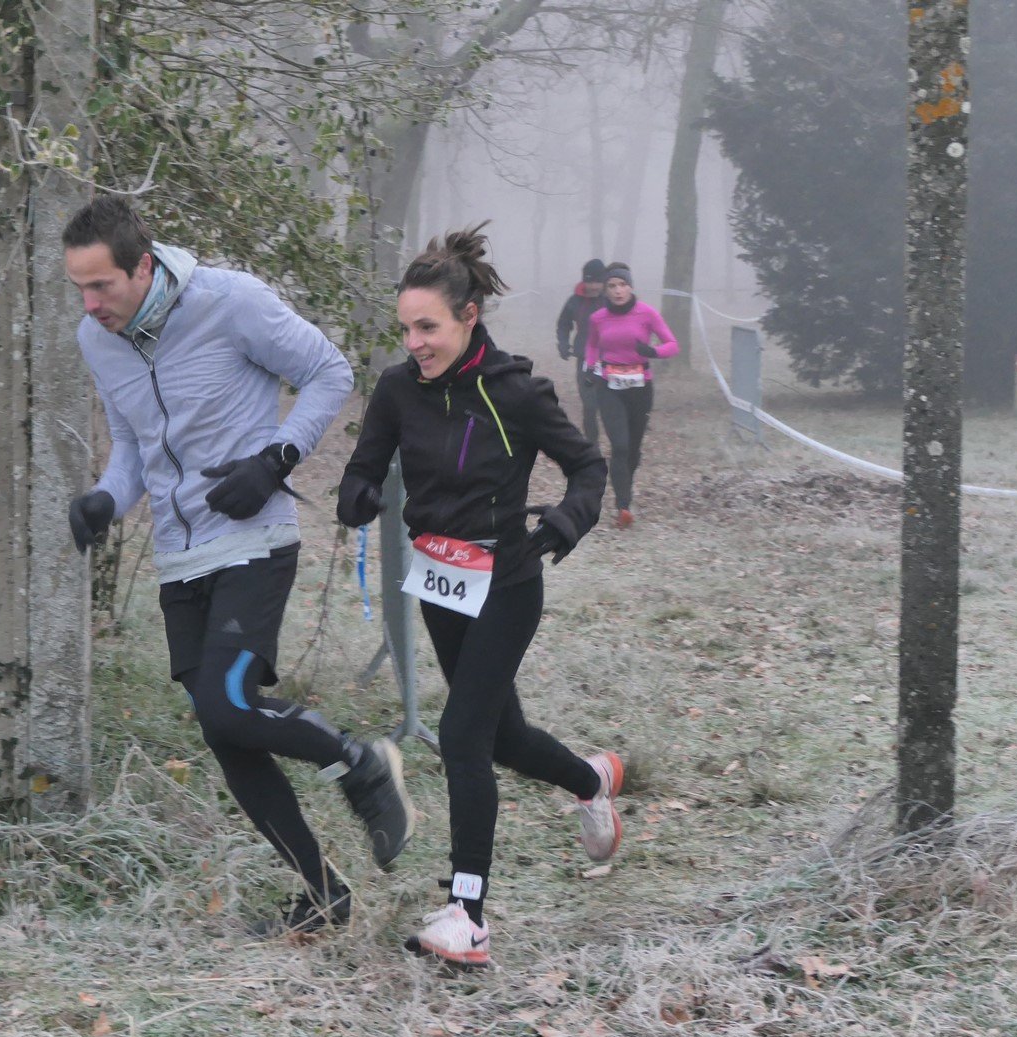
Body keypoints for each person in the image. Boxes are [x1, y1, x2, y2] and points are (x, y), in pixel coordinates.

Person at [62, 195, 413, 936]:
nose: (90, 304)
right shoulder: (98, 339)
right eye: (80, 288)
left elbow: (328, 371)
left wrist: (273, 460)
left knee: (228, 705)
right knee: (226, 737)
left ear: (143, 267)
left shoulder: (230, 301)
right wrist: (104, 500)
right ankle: (322, 894)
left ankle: (360, 764)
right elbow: (131, 447)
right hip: (178, 556)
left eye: (101, 286)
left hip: (254, 539)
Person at [336, 224, 624, 969]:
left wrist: (565, 522)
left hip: (507, 582)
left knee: (462, 732)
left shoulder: (516, 391)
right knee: (502, 735)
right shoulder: (398, 388)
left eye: (427, 327)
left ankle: (468, 915)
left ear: (468, 317)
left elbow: (589, 467)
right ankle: (590, 779)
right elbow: (364, 465)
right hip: (441, 583)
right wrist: (357, 493)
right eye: (406, 329)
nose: (415, 343)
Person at [582, 263, 679, 528]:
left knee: (633, 448)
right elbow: (592, 345)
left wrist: (653, 352)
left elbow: (672, 345)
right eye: (612, 286)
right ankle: (623, 506)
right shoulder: (598, 318)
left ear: (631, 287)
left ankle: (625, 486)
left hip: (640, 388)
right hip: (609, 387)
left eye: (622, 285)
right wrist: (590, 367)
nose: (618, 291)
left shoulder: (646, 313)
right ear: (605, 290)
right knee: (620, 446)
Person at [554, 258, 607, 443]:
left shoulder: (612, 299)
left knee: (608, 404)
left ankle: (620, 444)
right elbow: (563, 324)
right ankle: (592, 444)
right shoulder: (575, 300)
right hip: (585, 359)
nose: (593, 287)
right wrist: (563, 343)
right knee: (589, 405)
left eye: (598, 282)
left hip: (612, 359)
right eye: (589, 282)